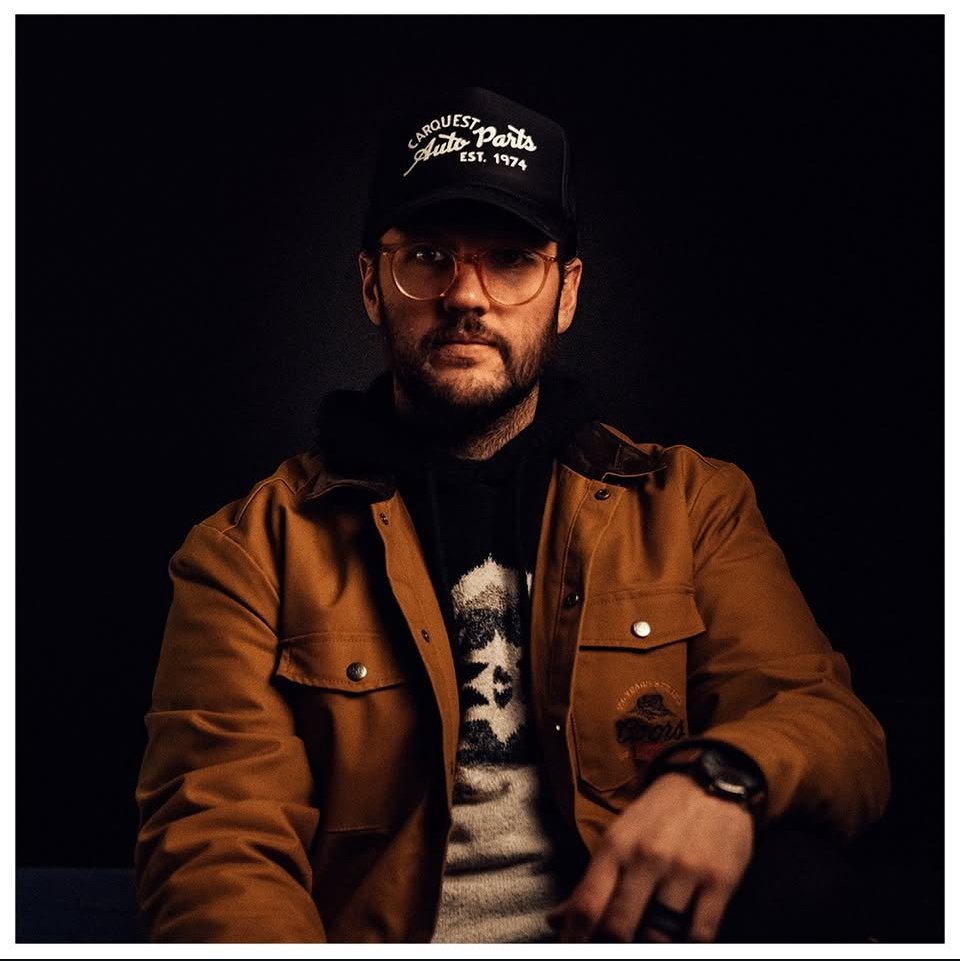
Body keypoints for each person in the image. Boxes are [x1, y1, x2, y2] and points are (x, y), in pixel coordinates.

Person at [134, 87, 890, 944]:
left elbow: (836, 729)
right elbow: (214, 843)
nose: (466, 295)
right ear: (371, 287)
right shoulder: (247, 552)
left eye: (510, 258)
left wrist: (720, 777)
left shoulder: (692, 504)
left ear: (565, 291)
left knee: (804, 881)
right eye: (425, 256)